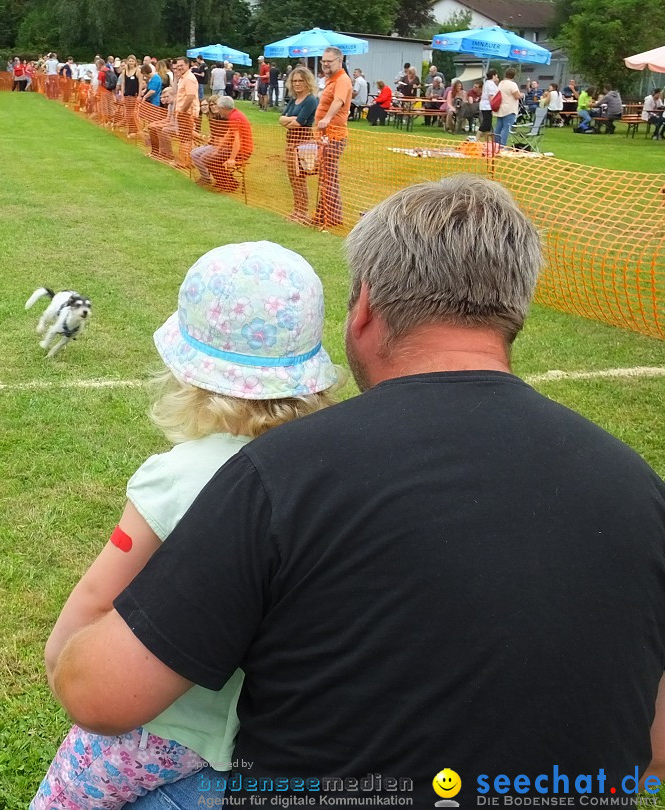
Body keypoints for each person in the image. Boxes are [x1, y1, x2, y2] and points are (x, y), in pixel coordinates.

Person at [49, 174, 665, 807]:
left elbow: (99, 694)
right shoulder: (640, 488)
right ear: (515, 310)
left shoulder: (280, 474)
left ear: (365, 306)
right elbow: (656, 747)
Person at [35, 240, 343, 810]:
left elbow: (100, 594)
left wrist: (61, 662)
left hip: (162, 727)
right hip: (271, 730)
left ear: (189, 371)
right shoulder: (331, 470)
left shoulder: (176, 477)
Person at [313, 46, 351, 229]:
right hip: (325, 135)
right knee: (327, 175)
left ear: (339, 61)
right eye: (323, 61)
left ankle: (330, 216)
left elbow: (339, 101)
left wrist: (327, 118)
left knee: (328, 175)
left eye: (329, 61)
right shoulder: (330, 80)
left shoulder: (342, 80)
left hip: (334, 135)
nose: (325, 64)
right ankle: (324, 214)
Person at [280, 66, 319, 224]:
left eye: (300, 81)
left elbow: (298, 123)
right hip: (290, 143)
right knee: (293, 179)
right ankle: (297, 210)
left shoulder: (310, 100)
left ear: (307, 82)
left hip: (303, 143)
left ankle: (302, 212)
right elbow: (281, 119)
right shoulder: (294, 100)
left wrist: (290, 119)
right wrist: (290, 119)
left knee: (299, 178)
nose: (297, 84)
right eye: (294, 81)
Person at [191, 95, 252, 191]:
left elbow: (237, 140)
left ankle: (229, 183)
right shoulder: (234, 115)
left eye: (219, 108)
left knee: (206, 158)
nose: (218, 111)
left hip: (242, 151)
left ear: (223, 108)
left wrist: (232, 159)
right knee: (208, 157)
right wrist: (218, 149)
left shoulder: (234, 118)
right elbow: (228, 135)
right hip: (236, 148)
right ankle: (224, 181)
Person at [151, 57, 198, 163]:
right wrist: (176, 78)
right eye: (177, 67)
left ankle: (183, 162)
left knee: (185, 139)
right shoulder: (182, 78)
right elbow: (174, 92)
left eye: (181, 66)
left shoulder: (189, 78)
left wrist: (182, 112)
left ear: (188, 65)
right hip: (183, 113)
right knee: (184, 138)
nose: (179, 68)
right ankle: (183, 160)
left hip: (187, 113)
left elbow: (190, 97)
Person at [493, 67, 521, 147]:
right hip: (509, 109)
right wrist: (521, 95)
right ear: (514, 76)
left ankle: (496, 144)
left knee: (498, 127)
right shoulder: (512, 84)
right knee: (506, 128)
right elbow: (516, 96)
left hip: (501, 108)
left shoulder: (501, 83)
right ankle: (502, 145)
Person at [479, 68, 498, 145]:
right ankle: (477, 137)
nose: (497, 77)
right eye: (496, 75)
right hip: (487, 106)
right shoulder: (490, 84)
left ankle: (487, 141)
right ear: (493, 76)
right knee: (486, 123)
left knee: (488, 125)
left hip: (485, 105)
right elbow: (491, 96)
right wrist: (493, 106)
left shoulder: (487, 82)